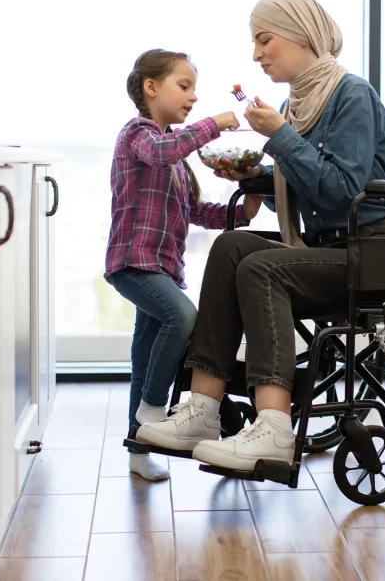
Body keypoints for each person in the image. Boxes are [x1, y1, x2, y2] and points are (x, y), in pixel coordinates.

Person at [135, 0, 385, 471]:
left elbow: (344, 190)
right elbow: (306, 178)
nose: (256, 55)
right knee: (233, 245)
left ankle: (275, 428)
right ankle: (203, 409)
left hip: (371, 250)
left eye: (264, 41)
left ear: (302, 36)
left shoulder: (352, 94)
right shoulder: (297, 103)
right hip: (323, 247)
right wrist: (251, 175)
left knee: (262, 267)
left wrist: (279, 136)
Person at [105, 49, 263, 480]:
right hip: (133, 262)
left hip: (161, 269)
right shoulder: (138, 135)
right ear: (150, 87)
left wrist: (247, 206)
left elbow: (198, 212)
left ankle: (140, 448)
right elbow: (162, 150)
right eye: (184, 85)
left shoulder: (174, 161)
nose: (193, 96)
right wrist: (216, 123)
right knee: (183, 315)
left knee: (145, 356)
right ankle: (155, 411)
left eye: (195, 88)